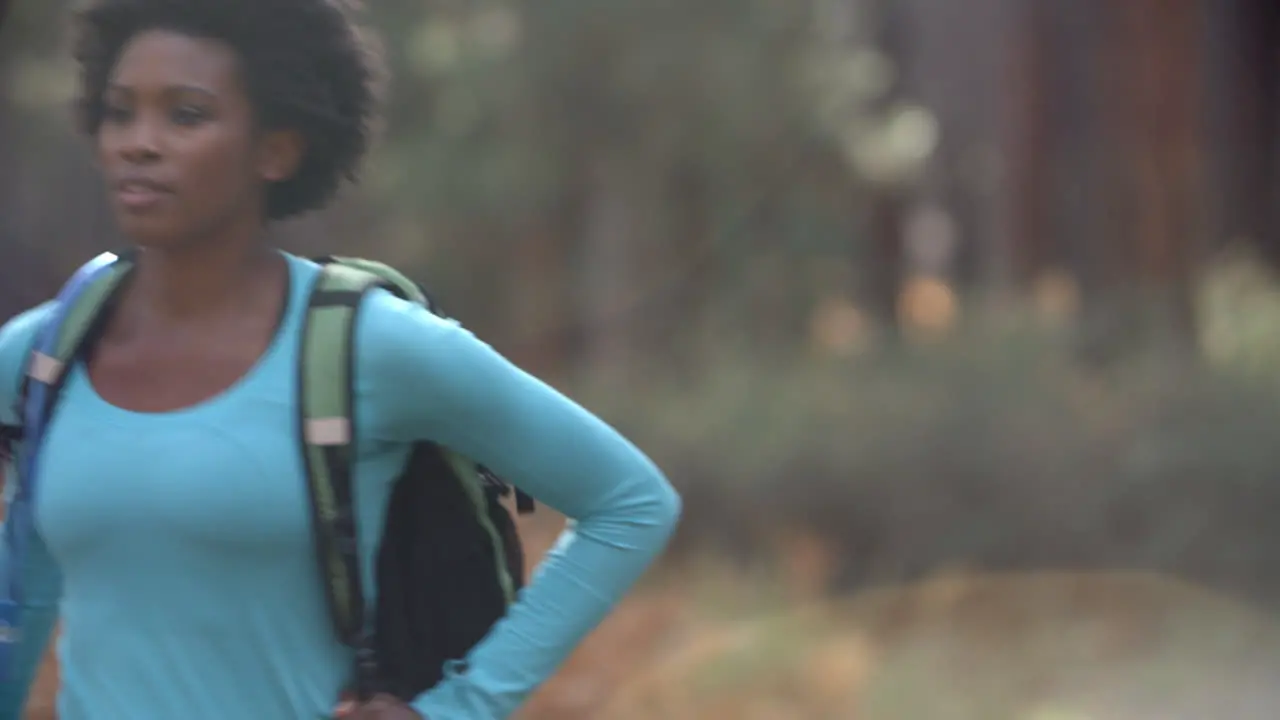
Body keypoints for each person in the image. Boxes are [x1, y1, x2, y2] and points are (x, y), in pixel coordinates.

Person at [0, 0, 682, 718]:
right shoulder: (47, 351)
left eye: (187, 115)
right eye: (119, 112)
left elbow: (629, 504)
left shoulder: (372, 346)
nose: (138, 143)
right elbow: (30, 581)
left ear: (278, 149)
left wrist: (459, 707)